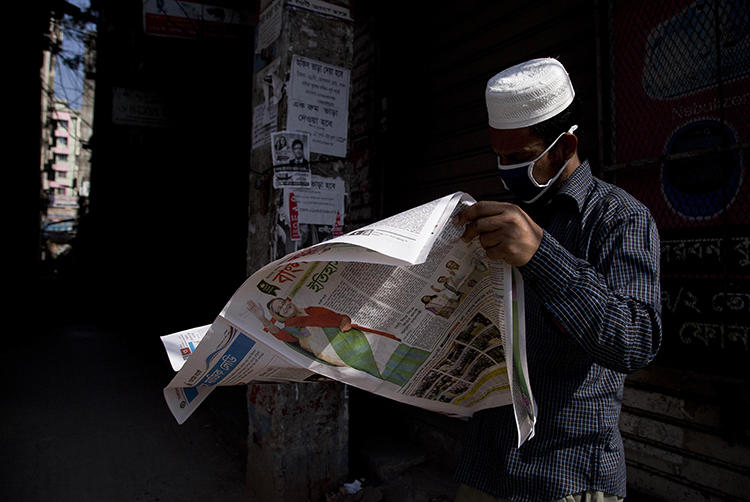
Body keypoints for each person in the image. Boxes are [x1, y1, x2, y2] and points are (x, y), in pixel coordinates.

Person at [453, 58, 662, 502]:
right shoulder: (507, 214)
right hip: (486, 465)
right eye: (499, 156)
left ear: (565, 147)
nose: (505, 170)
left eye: (519, 158)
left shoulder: (619, 217)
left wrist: (541, 255)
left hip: (566, 474)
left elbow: (637, 339)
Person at [246, 298, 429, 386]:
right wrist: (262, 319)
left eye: (284, 303)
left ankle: (427, 367)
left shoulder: (311, 309)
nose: (285, 307)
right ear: (278, 315)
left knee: (389, 349)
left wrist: (344, 320)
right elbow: (283, 336)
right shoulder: (292, 327)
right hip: (343, 354)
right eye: (280, 309)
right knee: (380, 367)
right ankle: (417, 382)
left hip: (354, 338)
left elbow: (338, 316)